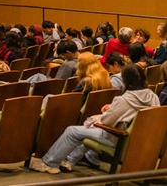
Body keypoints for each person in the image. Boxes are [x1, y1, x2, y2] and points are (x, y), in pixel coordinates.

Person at [31, 64, 159, 174]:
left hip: (118, 139)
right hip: (141, 140)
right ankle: (69, 161)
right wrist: (112, 108)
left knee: (73, 130)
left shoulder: (124, 100)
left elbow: (106, 122)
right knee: (88, 130)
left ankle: (49, 163)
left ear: (126, 80)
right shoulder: (153, 96)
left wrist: (101, 117)